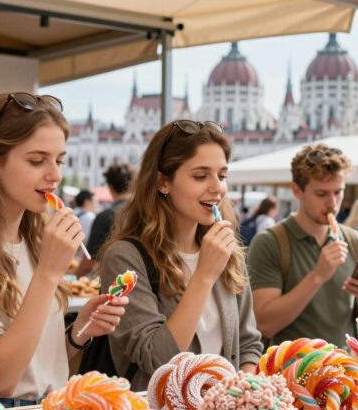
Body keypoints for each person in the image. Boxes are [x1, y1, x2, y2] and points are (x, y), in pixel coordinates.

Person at [0, 92, 126, 406]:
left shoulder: (33, 238)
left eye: (59, 160)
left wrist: (78, 331)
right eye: (37, 160)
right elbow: (0, 378)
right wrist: (49, 272)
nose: (55, 175)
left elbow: (36, 366)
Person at [99, 120, 262, 391]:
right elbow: (159, 359)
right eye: (200, 176)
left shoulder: (227, 249)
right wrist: (204, 276)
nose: (217, 188)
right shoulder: (125, 257)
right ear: (163, 182)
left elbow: (248, 344)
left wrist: (243, 391)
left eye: (222, 175)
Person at [247, 143, 358, 346]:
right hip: (290, 373)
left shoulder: (355, 241)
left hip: (346, 372)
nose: (333, 203)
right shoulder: (269, 242)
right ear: (297, 191)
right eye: (321, 194)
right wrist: (318, 276)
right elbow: (264, 324)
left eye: (338, 192)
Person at [76, 161, 135, 277]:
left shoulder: (105, 217)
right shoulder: (149, 214)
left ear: (110, 187)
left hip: (114, 285)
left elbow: (90, 260)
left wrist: (76, 276)